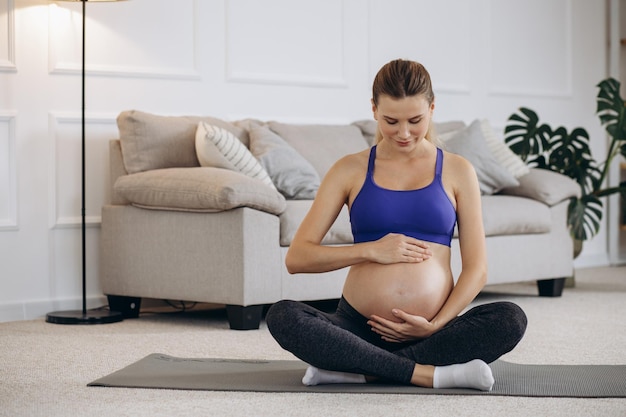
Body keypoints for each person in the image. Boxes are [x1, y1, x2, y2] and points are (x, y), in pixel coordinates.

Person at [265, 59, 527, 391]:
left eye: (415, 120)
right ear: (374, 110)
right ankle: (430, 374)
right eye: (391, 121)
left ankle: (359, 368)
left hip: (433, 329)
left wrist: (435, 325)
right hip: (357, 327)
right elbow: (297, 258)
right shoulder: (349, 169)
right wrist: (371, 250)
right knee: (283, 316)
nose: (403, 133)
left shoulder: (458, 171)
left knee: (510, 319)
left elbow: (477, 270)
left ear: (432, 109)